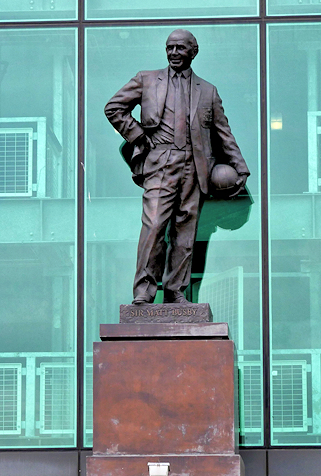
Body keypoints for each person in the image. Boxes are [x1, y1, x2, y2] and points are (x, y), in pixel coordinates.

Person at [105, 29, 250, 305]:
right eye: (169, 47)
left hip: (195, 166)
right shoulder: (146, 79)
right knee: (154, 224)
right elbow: (114, 108)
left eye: (180, 48)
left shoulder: (207, 91)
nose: (173, 53)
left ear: (193, 52)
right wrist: (139, 136)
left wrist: (239, 166)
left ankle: (175, 291)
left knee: (185, 231)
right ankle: (143, 291)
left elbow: (223, 132)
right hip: (160, 161)